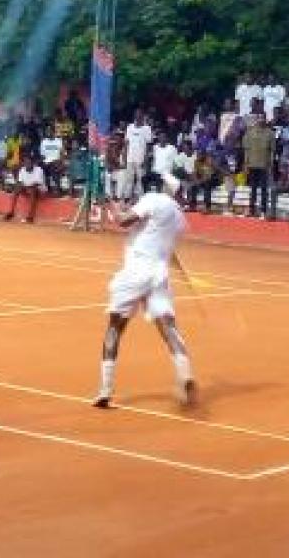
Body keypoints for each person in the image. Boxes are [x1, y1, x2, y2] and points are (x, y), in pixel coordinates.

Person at [93, 173, 197, 409]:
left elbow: (122, 221)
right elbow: (167, 249)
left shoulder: (153, 199)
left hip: (136, 270)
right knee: (168, 327)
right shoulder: (180, 219)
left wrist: (112, 205)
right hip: (158, 273)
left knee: (115, 327)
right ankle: (185, 375)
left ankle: (105, 390)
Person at [241, 116, 274, 218]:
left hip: (264, 164)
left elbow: (272, 151)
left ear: (265, 120)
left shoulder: (270, 133)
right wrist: (245, 164)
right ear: (256, 120)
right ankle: (252, 210)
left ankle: (263, 211)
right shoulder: (249, 132)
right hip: (252, 164)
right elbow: (246, 149)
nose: (261, 120)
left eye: (262, 118)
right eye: (259, 118)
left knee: (264, 189)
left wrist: (271, 164)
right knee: (253, 189)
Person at [5, 153, 46, 223]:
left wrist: (27, 187)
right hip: (27, 189)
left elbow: (37, 184)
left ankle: (30, 216)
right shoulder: (22, 170)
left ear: (33, 163)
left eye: (29, 162)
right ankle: (11, 212)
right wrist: (20, 186)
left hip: (40, 191)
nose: (27, 164)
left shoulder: (39, 170)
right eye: (25, 162)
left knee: (32, 190)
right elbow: (20, 182)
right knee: (17, 189)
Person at [122, 111, 152, 201]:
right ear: (134, 116)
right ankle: (127, 197)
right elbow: (126, 143)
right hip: (130, 158)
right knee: (129, 179)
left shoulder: (147, 128)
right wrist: (124, 156)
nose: (138, 117)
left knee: (140, 179)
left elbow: (148, 146)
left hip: (141, 158)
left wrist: (146, 159)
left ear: (142, 117)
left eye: (140, 116)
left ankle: (141, 198)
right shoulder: (129, 127)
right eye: (136, 116)